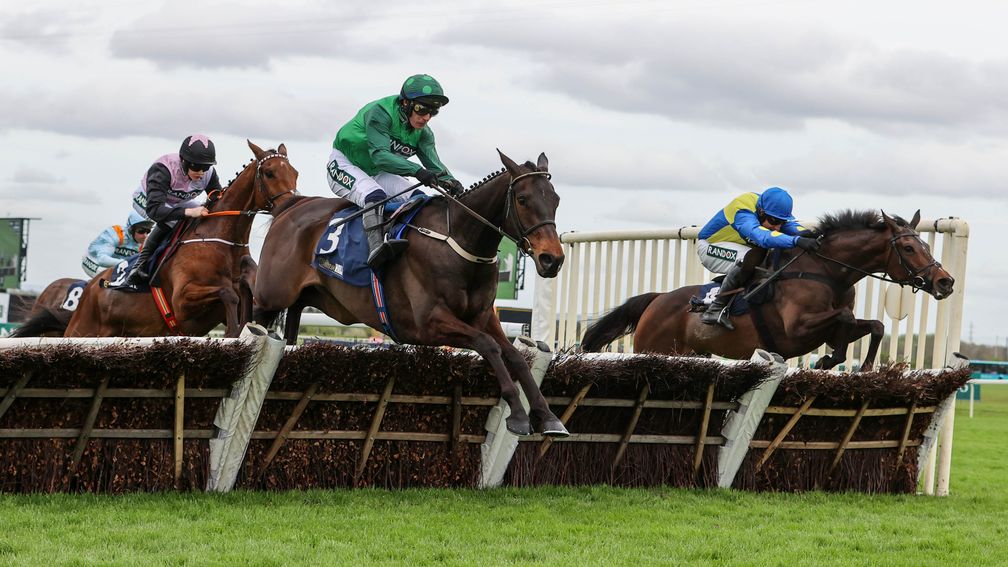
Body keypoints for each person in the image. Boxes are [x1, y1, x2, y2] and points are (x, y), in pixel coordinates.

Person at [326, 74, 466, 270]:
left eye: (433, 111)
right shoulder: (381, 113)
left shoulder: (424, 134)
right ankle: (376, 248)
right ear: (406, 103)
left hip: (378, 172)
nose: (426, 117)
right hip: (346, 163)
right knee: (376, 195)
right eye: (421, 108)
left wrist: (453, 184)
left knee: (419, 198)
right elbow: (380, 156)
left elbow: (435, 167)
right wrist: (417, 171)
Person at [695, 186, 820, 330]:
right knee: (750, 257)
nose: (777, 227)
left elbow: (793, 228)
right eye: (774, 221)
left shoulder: (771, 209)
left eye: (781, 222)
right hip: (710, 246)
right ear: (761, 212)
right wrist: (796, 241)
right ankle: (715, 309)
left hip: (738, 246)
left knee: (765, 257)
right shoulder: (742, 210)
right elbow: (761, 236)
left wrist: (809, 235)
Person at [123, 134, 220, 287]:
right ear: (183, 160)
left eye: (205, 167)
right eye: (195, 166)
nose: (201, 172)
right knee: (175, 218)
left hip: (177, 203)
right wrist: (187, 213)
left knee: (205, 214)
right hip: (147, 202)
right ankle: (138, 266)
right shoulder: (164, 169)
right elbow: (155, 211)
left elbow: (216, 196)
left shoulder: (208, 173)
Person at [81, 211, 153, 278]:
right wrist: (128, 263)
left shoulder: (145, 241)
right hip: (94, 261)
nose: (145, 235)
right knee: (110, 279)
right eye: (141, 231)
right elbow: (102, 260)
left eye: (148, 231)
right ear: (131, 229)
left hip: (116, 264)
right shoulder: (116, 235)